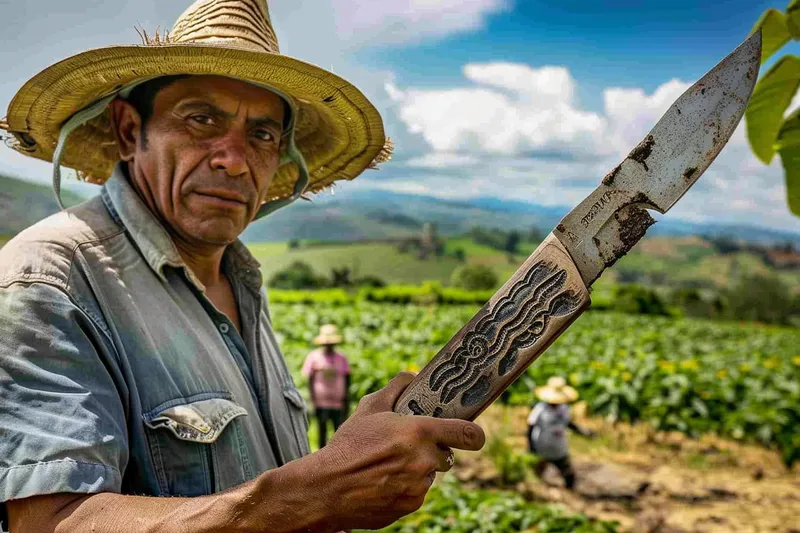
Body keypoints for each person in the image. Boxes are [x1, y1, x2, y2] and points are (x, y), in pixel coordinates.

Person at [0, 2, 486, 532]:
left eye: (261, 134)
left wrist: (345, 461)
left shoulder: (238, 281)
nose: (233, 158)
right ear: (128, 129)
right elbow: (53, 523)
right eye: (201, 118)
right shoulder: (50, 280)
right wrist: (312, 494)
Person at [526, 376, 593, 490]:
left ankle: (570, 495)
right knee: (537, 472)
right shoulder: (540, 409)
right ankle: (539, 491)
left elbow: (568, 424)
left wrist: (584, 432)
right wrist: (531, 447)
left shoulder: (564, 408)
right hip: (542, 446)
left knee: (569, 474)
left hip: (559, 447)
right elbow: (530, 427)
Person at [302, 324, 351, 449]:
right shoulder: (314, 357)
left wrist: (346, 399)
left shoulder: (341, 358)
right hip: (321, 403)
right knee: (322, 432)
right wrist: (311, 400)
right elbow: (309, 379)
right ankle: (321, 460)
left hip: (337, 403)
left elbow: (347, 379)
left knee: (338, 432)